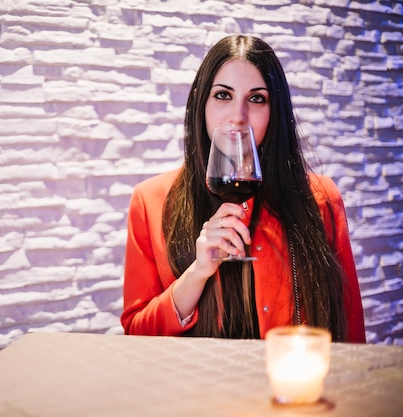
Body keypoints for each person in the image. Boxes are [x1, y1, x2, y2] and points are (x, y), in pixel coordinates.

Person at [120, 34, 366, 343]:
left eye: (256, 98)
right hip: (192, 386)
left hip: (287, 386)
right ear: (201, 103)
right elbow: (135, 333)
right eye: (223, 95)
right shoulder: (150, 200)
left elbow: (350, 327)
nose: (238, 116)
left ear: (275, 111)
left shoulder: (319, 198)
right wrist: (198, 272)